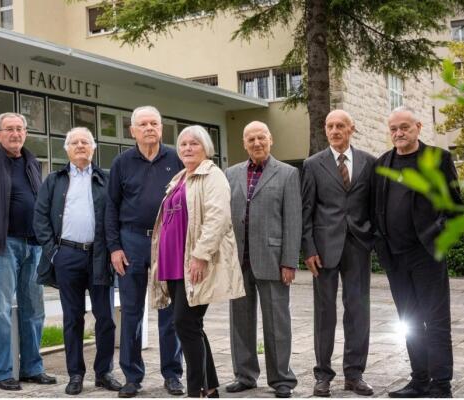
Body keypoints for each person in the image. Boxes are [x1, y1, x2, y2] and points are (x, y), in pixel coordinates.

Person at [150, 125, 245, 398]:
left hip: (194, 262)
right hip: (174, 263)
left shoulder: (212, 176)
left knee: (184, 323)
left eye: (194, 144)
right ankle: (210, 387)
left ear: (206, 148)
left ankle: (196, 391)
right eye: (183, 144)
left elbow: (218, 218)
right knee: (191, 325)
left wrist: (201, 255)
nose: (188, 148)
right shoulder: (180, 177)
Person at [373, 106, 462, 398]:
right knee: (408, 321)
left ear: (418, 127)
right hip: (395, 259)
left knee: (435, 322)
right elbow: (377, 209)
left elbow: (454, 208)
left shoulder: (439, 159)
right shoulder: (383, 162)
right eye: (394, 129)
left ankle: (441, 385)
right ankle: (420, 380)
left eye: (404, 128)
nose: (398, 133)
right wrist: (380, 245)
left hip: (427, 256)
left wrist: (436, 236)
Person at [0, 112, 56, 391]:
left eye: (20, 129)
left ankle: (32, 367)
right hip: (4, 246)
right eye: (9, 129)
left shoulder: (31, 162)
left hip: (33, 245)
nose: (15, 134)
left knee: (34, 309)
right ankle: (2, 372)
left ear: (25, 133)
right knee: (1, 310)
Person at [33, 127, 120, 395]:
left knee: (105, 317)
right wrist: (53, 252)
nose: (80, 146)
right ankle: (75, 374)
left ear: (93, 148)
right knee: (72, 318)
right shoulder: (54, 180)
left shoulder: (106, 179)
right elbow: (40, 217)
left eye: (85, 142)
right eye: (74, 142)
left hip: (99, 255)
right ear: (67, 149)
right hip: (67, 255)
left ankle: (103, 372)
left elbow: (116, 216)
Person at [105, 105, 184, 398]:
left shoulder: (176, 158)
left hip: (168, 243)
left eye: (155, 123)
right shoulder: (122, 163)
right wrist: (114, 247)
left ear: (161, 128)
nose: (150, 128)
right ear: (133, 130)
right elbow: (110, 208)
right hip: (132, 243)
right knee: (132, 312)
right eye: (144, 124)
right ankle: (132, 376)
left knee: (170, 311)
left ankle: (173, 374)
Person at [301, 109, 376, 397]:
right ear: (326, 129)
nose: (335, 130)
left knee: (358, 311)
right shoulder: (312, 164)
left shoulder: (369, 162)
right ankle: (323, 375)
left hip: (358, 245)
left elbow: (373, 204)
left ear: (351, 129)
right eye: (330, 126)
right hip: (323, 249)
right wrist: (308, 248)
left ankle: (354, 374)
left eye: (340, 126)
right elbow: (306, 208)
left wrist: (371, 237)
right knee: (324, 313)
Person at [224, 121, 301, 399]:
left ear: (271, 140)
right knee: (240, 321)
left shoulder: (288, 174)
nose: (257, 143)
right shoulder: (231, 174)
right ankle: (244, 375)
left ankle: (282, 378)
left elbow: (293, 220)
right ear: (244, 143)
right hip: (238, 260)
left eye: (261, 138)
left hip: (272, 258)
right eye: (251, 139)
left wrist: (289, 261)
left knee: (277, 322)